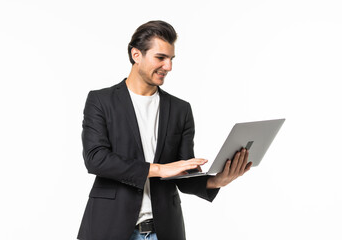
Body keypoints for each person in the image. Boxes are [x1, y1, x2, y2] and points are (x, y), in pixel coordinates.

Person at [77, 20, 252, 240]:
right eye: (160, 58)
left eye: (171, 59)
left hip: (165, 231)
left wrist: (217, 181)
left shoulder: (180, 109)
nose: (168, 66)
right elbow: (96, 158)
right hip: (110, 229)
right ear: (136, 55)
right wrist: (159, 169)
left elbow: (181, 174)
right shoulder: (101, 101)